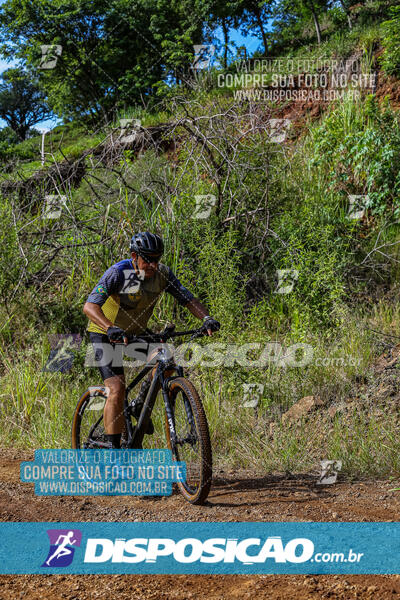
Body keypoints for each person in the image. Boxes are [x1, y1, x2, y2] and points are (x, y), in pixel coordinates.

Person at [83, 231, 220, 449]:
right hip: (104, 334)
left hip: (134, 333)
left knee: (167, 361)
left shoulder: (162, 275)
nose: (153, 264)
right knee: (116, 390)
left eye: (157, 259)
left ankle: (138, 405)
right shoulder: (120, 272)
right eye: (147, 259)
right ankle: (115, 454)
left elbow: (187, 298)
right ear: (134, 256)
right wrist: (109, 328)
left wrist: (206, 318)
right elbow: (89, 307)